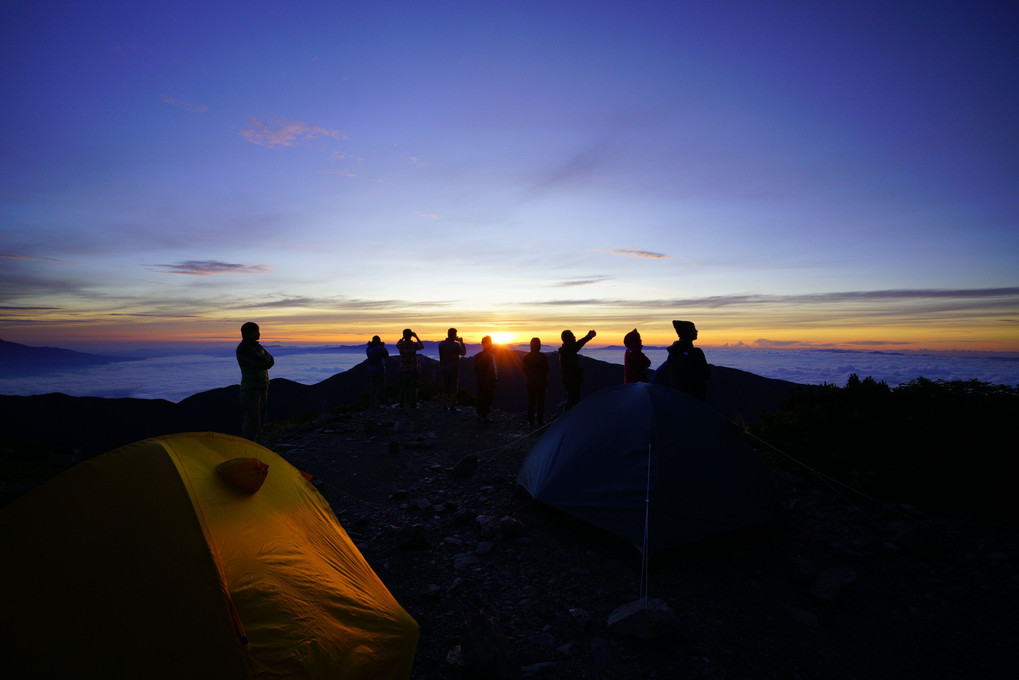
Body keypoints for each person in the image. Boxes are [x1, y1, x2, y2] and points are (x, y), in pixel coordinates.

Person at [236, 321, 274, 442]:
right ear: (246, 334)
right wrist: (265, 360)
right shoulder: (244, 349)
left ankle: (257, 448)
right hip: (251, 390)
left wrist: (266, 360)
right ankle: (249, 449)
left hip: (262, 387)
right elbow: (264, 362)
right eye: (255, 331)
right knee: (252, 422)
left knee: (260, 421)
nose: (259, 334)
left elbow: (270, 360)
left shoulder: (257, 346)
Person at [667, 320, 710, 400]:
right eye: (694, 329)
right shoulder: (696, 352)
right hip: (694, 396)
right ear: (688, 332)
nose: (697, 331)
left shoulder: (673, 352)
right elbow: (706, 375)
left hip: (677, 396)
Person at [558, 328, 596, 410]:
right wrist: (588, 336)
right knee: (573, 400)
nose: (574, 337)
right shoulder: (568, 350)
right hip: (571, 380)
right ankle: (569, 418)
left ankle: (569, 417)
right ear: (568, 339)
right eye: (572, 336)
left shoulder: (565, 350)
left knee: (572, 399)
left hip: (570, 379)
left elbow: (576, 346)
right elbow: (577, 345)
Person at [522, 337, 549, 427]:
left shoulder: (526, 357)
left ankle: (531, 421)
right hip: (540, 383)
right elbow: (546, 369)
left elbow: (524, 370)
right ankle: (540, 421)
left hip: (529, 383)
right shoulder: (542, 357)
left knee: (531, 402)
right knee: (540, 402)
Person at [437, 327, 467, 411]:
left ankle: (444, 406)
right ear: (454, 335)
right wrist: (461, 342)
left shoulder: (441, 344)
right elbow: (463, 353)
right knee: (454, 387)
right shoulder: (455, 345)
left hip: (443, 368)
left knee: (445, 387)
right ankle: (453, 407)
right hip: (453, 369)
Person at [396, 328, 423, 409]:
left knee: (402, 389)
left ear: (404, 335)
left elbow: (397, 343)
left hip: (403, 370)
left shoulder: (401, 345)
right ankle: (413, 406)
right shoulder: (414, 345)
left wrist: (402, 338)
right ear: (411, 336)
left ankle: (401, 405)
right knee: (413, 389)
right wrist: (416, 337)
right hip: (413, 370)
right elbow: (422, 346)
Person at [473, 335, 497, 424]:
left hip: (480, 381)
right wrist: (495, 381)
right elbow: (493, 370)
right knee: (488, 398)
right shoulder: (491, 356)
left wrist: (479, 378)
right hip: (489, 382)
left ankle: (479, 415)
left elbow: (475, 369)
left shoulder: (478, 356)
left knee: (480, 397)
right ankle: (484, 416)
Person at [365, 335, 389, 409]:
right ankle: (377, 405)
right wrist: (383, 347)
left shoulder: (368, 348)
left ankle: (371, 404)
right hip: (380, 370)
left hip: (371, 371)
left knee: (373, 388)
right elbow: (386, 355)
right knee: (381, 387)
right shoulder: (379, 348)